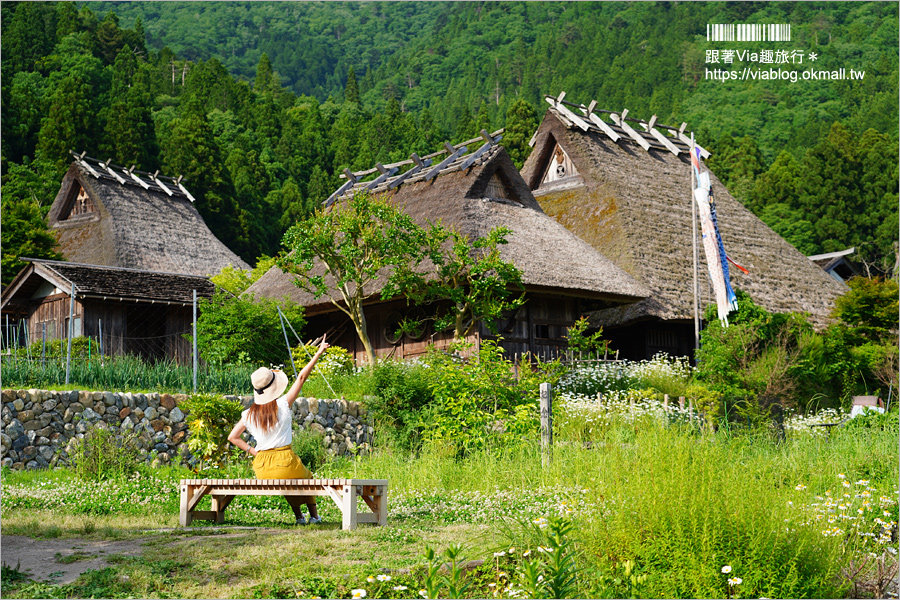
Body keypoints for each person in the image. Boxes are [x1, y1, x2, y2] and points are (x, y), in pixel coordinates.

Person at [227, 336, 330, 525]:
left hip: (262, 467)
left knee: (285, 482)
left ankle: (299, 517)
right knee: (307, 478)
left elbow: (233, 437)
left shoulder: (248, 414)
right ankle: (314, 517)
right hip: (284, 460)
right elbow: (301, 377)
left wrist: (253, 451)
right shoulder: (282, 405)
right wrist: (318, 352)